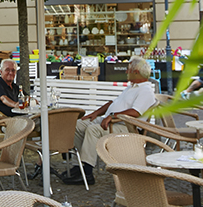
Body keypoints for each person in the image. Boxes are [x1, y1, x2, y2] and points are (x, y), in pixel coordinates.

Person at [62, 57, 158, 185]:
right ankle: (78, 166)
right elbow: (112, 103)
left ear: (136, 72)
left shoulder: (145, 90)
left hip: (127, 127)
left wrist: (112, 116)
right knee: (77, 125)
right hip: (112, 121)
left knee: (93, 130)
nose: (126, 72)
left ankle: (87, 172)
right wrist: (95, 113)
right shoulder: (132, 87)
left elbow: (135, 112)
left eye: (128, 69)